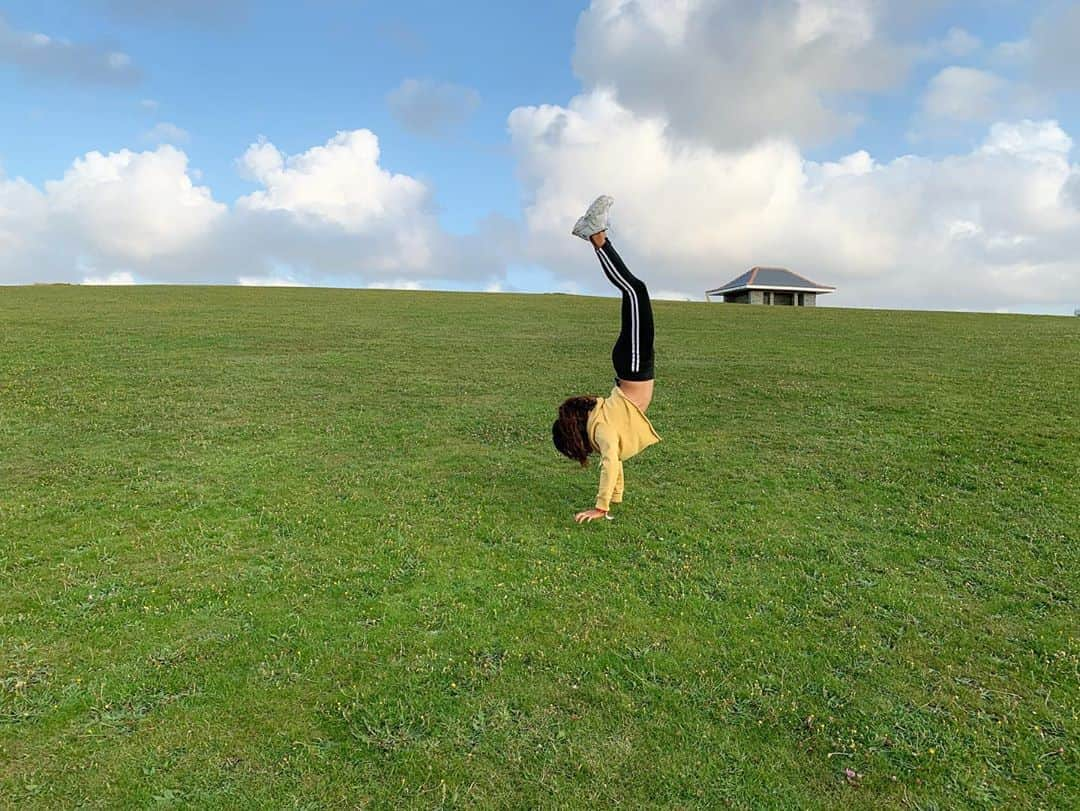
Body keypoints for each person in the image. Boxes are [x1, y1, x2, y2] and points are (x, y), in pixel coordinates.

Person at [552, 195, 661, 524]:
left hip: (634, 366)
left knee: (635, 291)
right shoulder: (602, 429)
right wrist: (610, 500)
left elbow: (611, 461)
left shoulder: (600, 428)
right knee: (635, 291)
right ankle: (594, 235)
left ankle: (596, 235)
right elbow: (614, 462)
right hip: (632, 366)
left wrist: (602, 507)